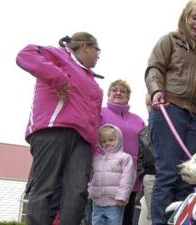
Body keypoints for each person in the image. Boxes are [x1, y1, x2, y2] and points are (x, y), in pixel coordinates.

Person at [144, 0, 196, 224]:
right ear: (185, 18)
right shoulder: (169, 40)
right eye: (194, 17)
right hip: (169, 110)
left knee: (188, 178)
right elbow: (154, 68)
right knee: (168, 173)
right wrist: (156, 90)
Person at [16, 32, 103, 225]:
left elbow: (96, 118)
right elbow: (25, 54)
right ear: (86, 46)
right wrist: (58, 77)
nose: (98, 56)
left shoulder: (93, 82)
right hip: (53, 129)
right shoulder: (58, 55)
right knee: (45, 186)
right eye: (98, 51)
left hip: (83, 141)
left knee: (77, 191)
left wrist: (95, 147)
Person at [100, 79, 145, 225]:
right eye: (114, 90)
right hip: (106, 176)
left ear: (128, 96)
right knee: (104, 218)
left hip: (131, 176)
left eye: (123, 91)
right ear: (109, 94)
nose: (118, 93)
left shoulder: (138, 120)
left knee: (127, 218)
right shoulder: (100, 113)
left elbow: (144, 146)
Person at [89, 124, 136, 225]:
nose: (107, 143)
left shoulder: (124, 158)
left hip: (115, 202)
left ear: (118, 139)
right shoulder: (96, 158)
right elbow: (91, 177)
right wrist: (90, 191)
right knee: (96, 222)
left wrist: (122, 196)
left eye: (111, 140)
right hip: (97, 202)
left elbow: (128, 178)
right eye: (104, 141)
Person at [137, 94, 156, 225]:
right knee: (151, 215)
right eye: (149, 104)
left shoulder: (174, 129)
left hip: (171, 177)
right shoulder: (142, 132)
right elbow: (139, 157)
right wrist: (143, 175)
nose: (152, 107)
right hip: (150, 177)